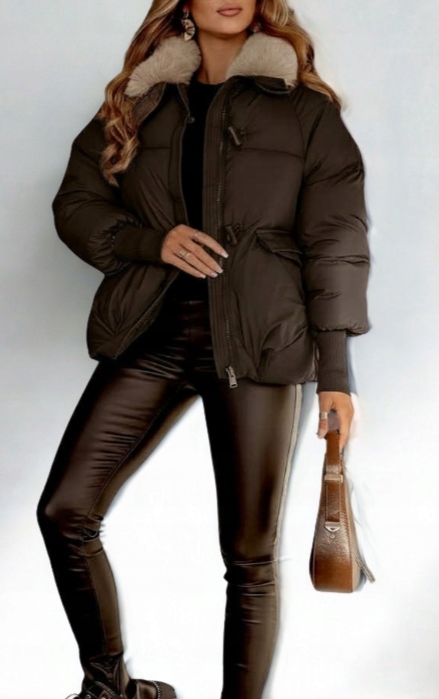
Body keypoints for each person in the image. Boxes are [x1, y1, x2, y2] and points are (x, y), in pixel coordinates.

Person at [36, 1, 370, 699]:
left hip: (261, 344)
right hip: (151, 337)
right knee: (65, 511)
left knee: (249, 557)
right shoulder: (141, 102)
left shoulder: (303, 111)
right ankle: (112, 688)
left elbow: (335, 242)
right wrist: (148, 241)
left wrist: (335, 374)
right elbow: (76, 202)